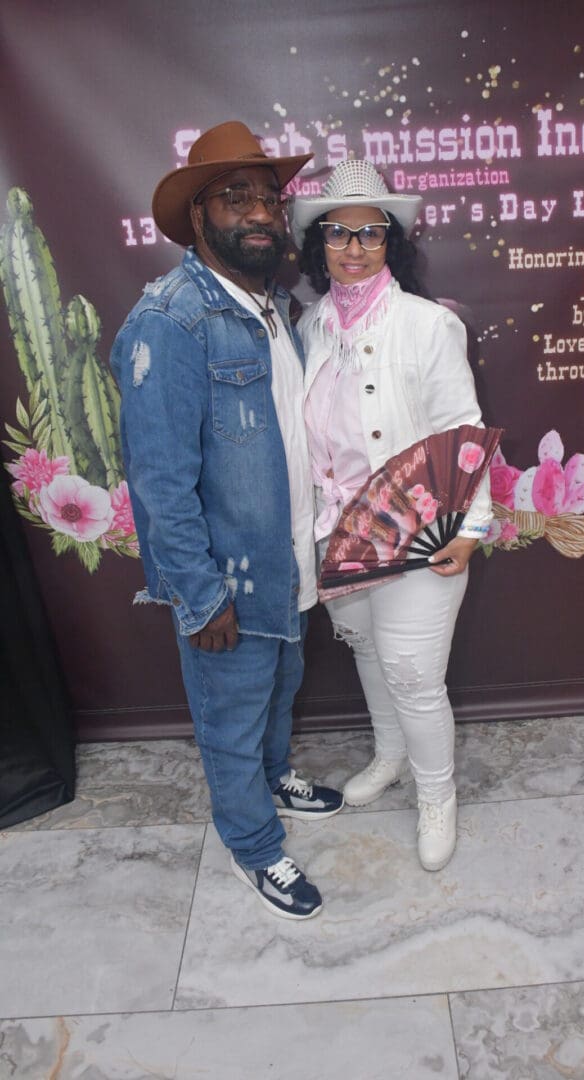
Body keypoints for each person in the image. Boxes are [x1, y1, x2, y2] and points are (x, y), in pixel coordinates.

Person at [111, 121, 343, 922]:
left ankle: (277, 777)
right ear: (198, 215)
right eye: (234, 196)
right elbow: (159, 481)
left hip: (287, 564)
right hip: (228, 581)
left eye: (269, 199)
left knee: (279, 693)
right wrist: (197, 595)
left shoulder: (271, 308)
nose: (259, 213)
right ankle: (254, 846)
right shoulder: (170, 322)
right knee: (233, 717)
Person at [289, 159, 493, 871]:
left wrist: (470, 529)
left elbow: (464, 429)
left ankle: (438, 795)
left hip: (419, 533)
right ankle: (390, 756)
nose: (352, 247)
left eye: (368, 234)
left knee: (412, 671)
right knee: (369, 652)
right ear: (319, 245)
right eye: (337, 233)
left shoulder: (427, 325)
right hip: (340, 534)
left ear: (390, 243)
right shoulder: (308, 326)